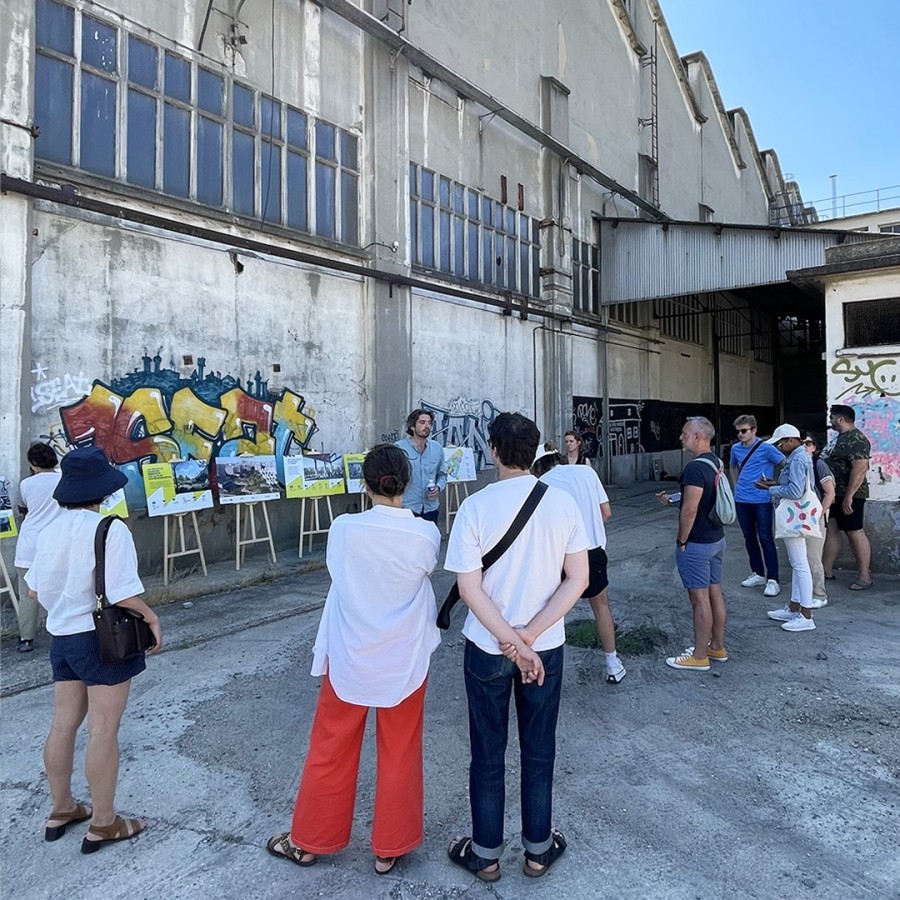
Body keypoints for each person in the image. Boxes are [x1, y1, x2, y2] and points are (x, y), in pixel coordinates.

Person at [267, 444, 441, 876]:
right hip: (405, 656)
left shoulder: (344, 528)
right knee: (400, 749)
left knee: (331, 747)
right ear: (408, 482)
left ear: (364, 485)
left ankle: (308, 841)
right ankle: (389, 847)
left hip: (348, 655)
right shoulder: (426, 534)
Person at [444, 413, 588, 881]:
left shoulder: (475, 507)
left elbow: (469, 589)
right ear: (536, 452)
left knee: (487, 753)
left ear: (494, 450)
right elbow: (578, 580)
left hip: (488, 648)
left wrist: (510, 640)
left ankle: (485, 855)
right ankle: (538, 850)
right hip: (545, 647)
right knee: (539, 748)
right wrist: (529, 639)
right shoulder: (563, 504)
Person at [25, 447, 162, 853]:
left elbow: (34, 588)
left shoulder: (48, 530)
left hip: (62, 638)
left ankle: (62, 807)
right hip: (101, 640)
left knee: (63, 724)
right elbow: (123, 593)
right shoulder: (109, 529)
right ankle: (104, 823)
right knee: (103, 730)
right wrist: (152, 618)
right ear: (102, 490)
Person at [532, 442, 626, 684]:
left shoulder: (541, 484)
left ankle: (539, 665)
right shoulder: (586, 472)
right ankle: (613, 664)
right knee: (601, 606)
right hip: (592, 550)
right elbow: (606, 512)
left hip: (558, 554)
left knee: (551, 609)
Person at [655, 417, 727, 672]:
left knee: (699, 600)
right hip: (716, 538)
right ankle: (716, 646)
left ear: (698, 436)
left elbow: (690, 509)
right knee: (714, 592)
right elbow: (703, 497)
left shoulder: (695, 468)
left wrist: (682, 540)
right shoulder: (715, 461)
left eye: (685, 433)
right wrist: (671, 499)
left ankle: (699, 656)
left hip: (696, 542)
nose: (681, 437)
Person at [755, 424, 817, 632]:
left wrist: (771, 488)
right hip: (797, 516)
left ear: (792, 440)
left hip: (794, 516)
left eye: (781, 443)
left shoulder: (798, 457)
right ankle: (794, 608)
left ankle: (806, 615)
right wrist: (772, 484)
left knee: (800, 564)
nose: (779, 447)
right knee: (797, 563)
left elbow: (795, 491)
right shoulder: (799, 455)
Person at [13, 443, 64, 652]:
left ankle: (26, 638)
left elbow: (27, 504)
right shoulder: (63, 479)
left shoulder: (26, 484)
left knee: (26, 594)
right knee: (61, 590)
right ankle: (62, 631)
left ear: (33, 464)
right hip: (56, 543)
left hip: (29, 544)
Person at [729, 415, 784, 598]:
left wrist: (775, 484)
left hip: (761, 499)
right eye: (738, 431)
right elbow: (733, 466)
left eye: (744, 431)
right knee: (749, 537)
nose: (740, 435)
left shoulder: (766, 448)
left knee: (766, 538)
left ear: (754, 430)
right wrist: (736, 485)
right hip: (742, 499)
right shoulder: (736, 449)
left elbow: (785, 463)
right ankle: (758, 573)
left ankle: (773, 579)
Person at [820, 404, 873, 590]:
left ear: (840, 419)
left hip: (850, 495)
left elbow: (860, 468)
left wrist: (849, 496)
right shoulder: (840, 438)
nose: (830, 421)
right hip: (835, 493)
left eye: (832, 417)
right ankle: (826, 571)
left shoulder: (856, 439)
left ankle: (864, 577)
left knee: (854, 532)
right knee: (832, 527)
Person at [395, 408, 448, 523]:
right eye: (422, 422)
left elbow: (443, 475)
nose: (427, 426)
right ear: (412, 427)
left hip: (431, 508)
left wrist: (438, 488)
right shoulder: (399, 448)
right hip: (407, 508)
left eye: (429, 423)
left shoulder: (437, 448)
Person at [803, 435, 835, 608]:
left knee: (813, 556)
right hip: (799, 515)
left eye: (808, 443)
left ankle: (819, 594)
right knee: (801, 558)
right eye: (801, 443)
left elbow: (830, 493)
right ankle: (804, 594)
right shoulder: (796, 464)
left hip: (815, 515)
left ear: (814, 447)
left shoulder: (818, 465)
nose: (804, 447)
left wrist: (819, 514)